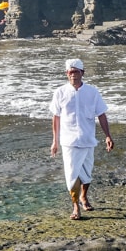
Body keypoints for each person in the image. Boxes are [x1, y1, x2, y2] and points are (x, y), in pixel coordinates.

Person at [49, 58, 113, 220]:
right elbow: (56, 117)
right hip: (68, 141)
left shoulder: (92, 92)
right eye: (70, 72)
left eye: (76, 72)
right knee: (71, 174)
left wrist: (107, 136)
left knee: (86, 173)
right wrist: (55, 141)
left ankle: (84, 196)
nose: (73, 75)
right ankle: (75, 206)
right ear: (66, 74)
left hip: (87, 138)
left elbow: (101, 114)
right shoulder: (60, 92)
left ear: (82, 73)